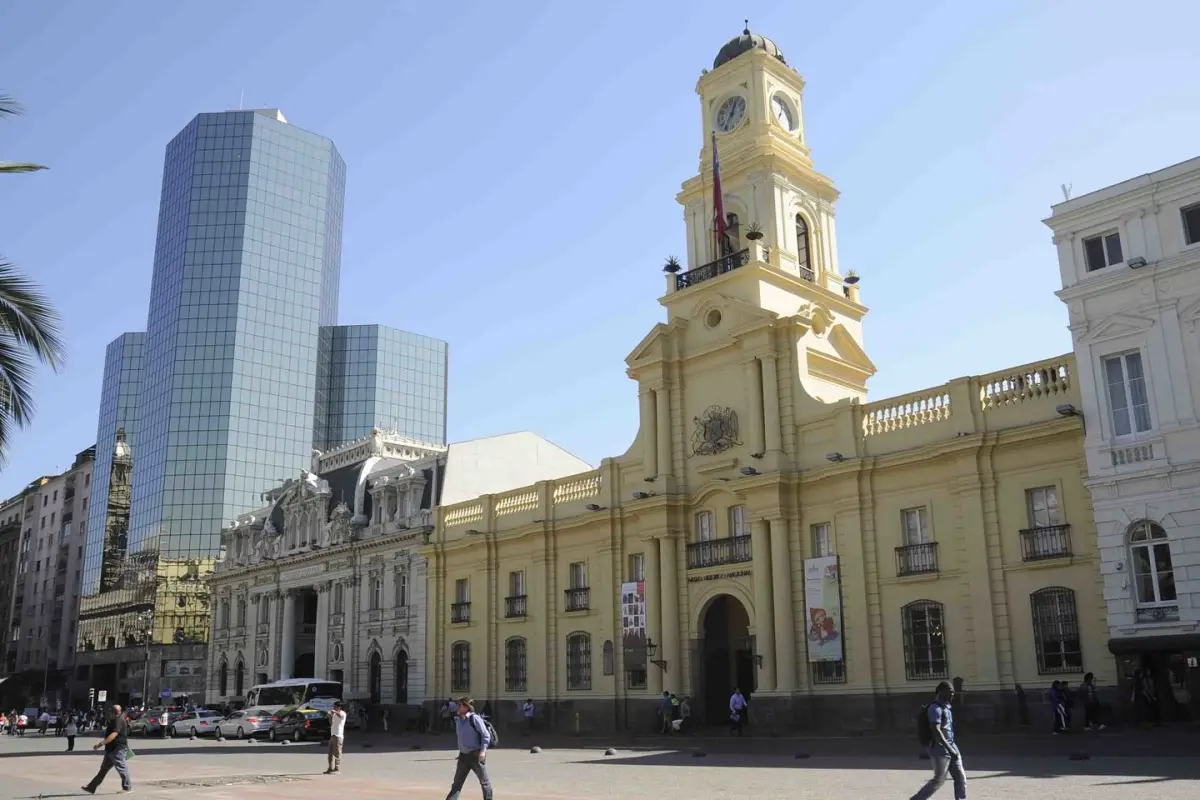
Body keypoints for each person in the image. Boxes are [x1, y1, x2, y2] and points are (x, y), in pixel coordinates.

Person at [911, 681, 966, 800]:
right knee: (939, 779)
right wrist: (949, 749)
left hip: (952, 746)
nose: (952, 694)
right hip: (939, 749)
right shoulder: (935, 708)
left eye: (953, 692)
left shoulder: (946, 707)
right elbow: (936, 730)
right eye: (949, 692)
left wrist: (952, 747)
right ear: (941, 692)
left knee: (960, 777)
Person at [445, 697, 493, 800]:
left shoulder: (474, 718)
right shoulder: (458, 720)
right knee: (457, 783)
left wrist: (483, 751)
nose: (457, 707)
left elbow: (486, 735)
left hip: (476, 756)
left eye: (460, 705)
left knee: (484, 782)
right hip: (463, 756)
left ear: (467, 707)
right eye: (457, 705)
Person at [82, 704, 132, 795]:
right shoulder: (116, 719)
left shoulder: (118, 720)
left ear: (112, 712)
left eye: (110, 712)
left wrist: (100, 744)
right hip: (111, 749)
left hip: (117, 748)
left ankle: (127, 787)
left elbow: (114, 734)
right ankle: (91, 787)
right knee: (103, 769)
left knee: (121, 768)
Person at [324, 701, 347, 775]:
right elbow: (332, 723)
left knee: (337, 753)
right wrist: (330, 716)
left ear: (339, 707)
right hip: (333, 735)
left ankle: (337, 768)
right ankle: (330, 768)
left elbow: (341, 716)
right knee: (330, 753)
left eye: (335, 706)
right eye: (333, 706)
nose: (333, 708)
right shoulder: (334, 714)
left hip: (338, 736)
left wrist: (335, 712)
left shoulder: (343, 713)